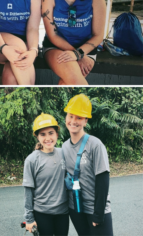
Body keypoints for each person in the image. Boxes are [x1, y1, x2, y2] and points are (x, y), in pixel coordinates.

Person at [41, 0, 106, 85]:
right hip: (56, 47)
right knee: (73, 76)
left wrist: (79, 54)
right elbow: (52, 35)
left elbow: (98, 35)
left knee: (66, 83)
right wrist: (75, 55)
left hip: (86, 49)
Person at [62, 94, 113, 236]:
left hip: (95, 209)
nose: (73, 121)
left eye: (79, 117)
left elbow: (103, 180)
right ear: (66, 117)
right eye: (71, 116)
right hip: (76, 209)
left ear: (85, 120)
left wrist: (98, 214)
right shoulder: (64, 146)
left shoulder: (95, 144)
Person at [23, 113, 69, 236]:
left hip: (63, 212)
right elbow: (28, 190)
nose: (47, 138)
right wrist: (29, 218)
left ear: (57, 134)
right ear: (37, 137)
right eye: (42, 134)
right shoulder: (32, 160)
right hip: (42, 213)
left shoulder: (64, 153)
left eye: (51, 133)